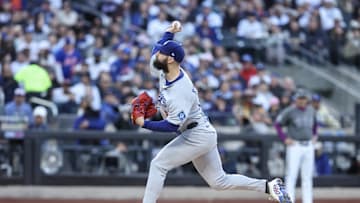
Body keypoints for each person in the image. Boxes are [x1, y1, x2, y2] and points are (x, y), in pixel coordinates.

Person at [133, 21, 292, 203]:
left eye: (162, 52)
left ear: (170, 59)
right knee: (219, 181)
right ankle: (268, 186)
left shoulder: (180, 90)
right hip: (201, 132)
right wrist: (169, 32)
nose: (156, 55)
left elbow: (170, 125)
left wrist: (144, 123)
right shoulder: (165, 68)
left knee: (158, 164)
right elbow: (156, 50)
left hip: (196, 135)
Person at [275, 89, 318, 203]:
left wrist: (315, 135)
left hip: (308, 145)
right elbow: (278, 124)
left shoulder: (311, 110)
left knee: (307, 177)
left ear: (307, 99)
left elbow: (315, 124)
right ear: (296, 99)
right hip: (295, 146)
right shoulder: (290, 111)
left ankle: (308, 201)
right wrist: (284, 138)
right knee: (291, 175)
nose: (302, 100)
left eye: (304, 98)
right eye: (300, 98)